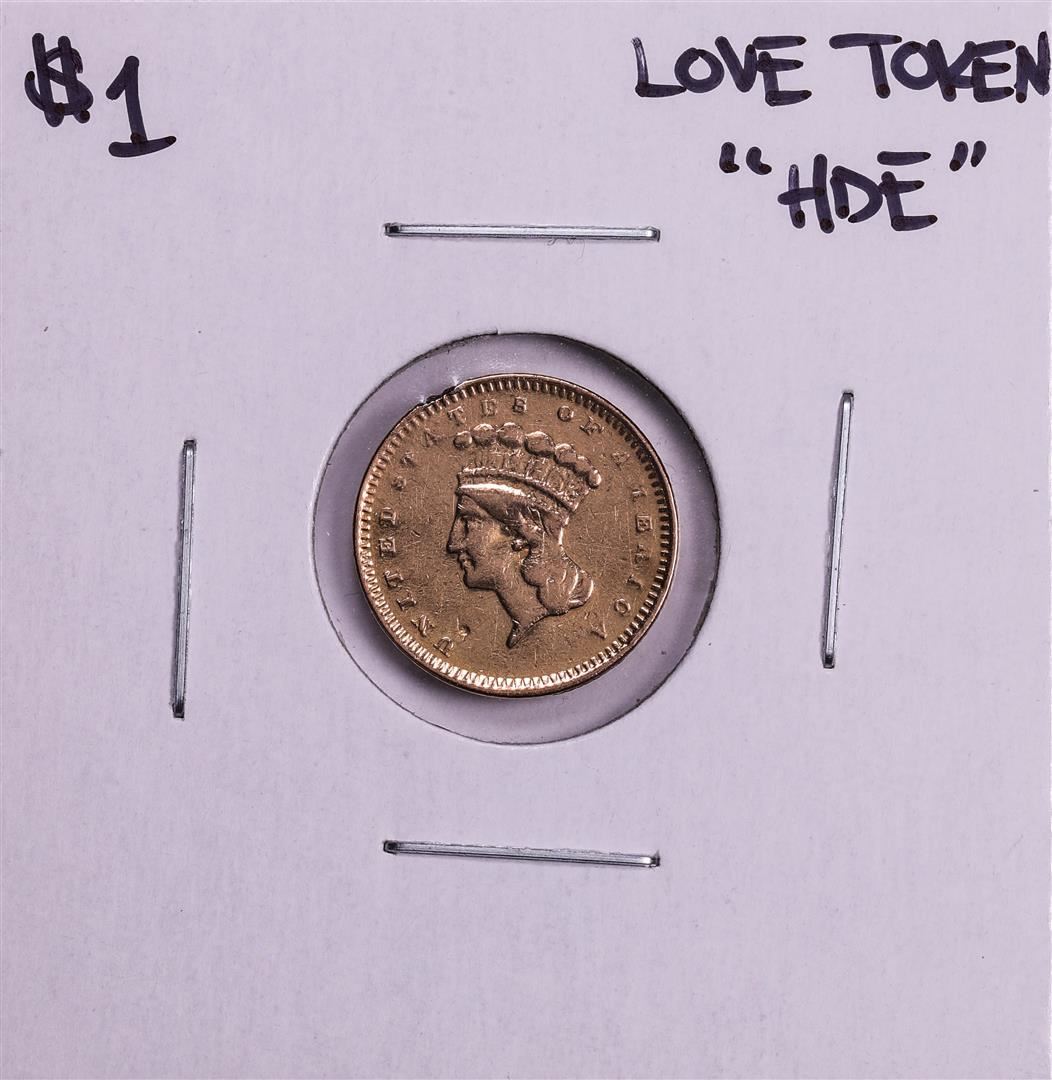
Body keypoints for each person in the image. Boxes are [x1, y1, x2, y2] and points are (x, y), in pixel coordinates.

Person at [447, 421, 601, 647]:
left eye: (469, 521)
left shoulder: (551, 643)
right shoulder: (527, 631)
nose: (453, 544)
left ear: (521, 535)